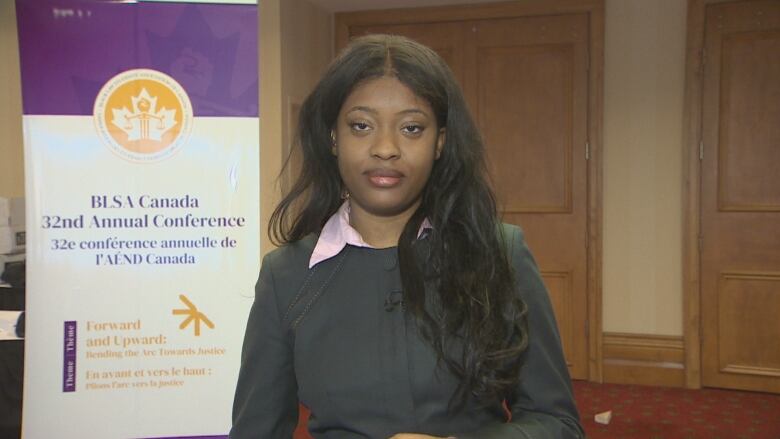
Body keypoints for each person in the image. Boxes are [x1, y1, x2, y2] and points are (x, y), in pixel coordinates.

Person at [231, 34, 584, 439]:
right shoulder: (286, 276)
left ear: (440, 142)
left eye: (412, 128)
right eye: (361, 126)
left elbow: (558, 425)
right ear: (333, 137)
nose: (385, 148)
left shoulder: (501, 253)